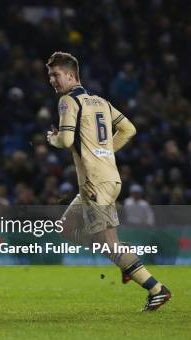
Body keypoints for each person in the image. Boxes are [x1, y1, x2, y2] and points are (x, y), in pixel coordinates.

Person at [45, 52, 170, 311]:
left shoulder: (68, 101)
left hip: (94, 185)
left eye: (56, 75)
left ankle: (156, 289)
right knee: (66, 228)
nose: (52, 80)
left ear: (71, 75)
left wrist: (52, 139)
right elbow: (129, 129)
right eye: (49, 76)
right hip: (106, 180)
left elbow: (66, 141)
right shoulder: (100, 101)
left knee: (110, 245)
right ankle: (123, 258)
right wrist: (104, 152)